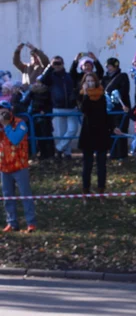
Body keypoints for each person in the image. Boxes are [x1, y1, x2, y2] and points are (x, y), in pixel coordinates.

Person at [0, 100, 37, 233]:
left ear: (10, 112)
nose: (1, 114)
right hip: (4, 166)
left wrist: (6, 126)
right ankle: (12, 222)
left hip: (20, 165)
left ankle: (31, 222)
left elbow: (15, 139)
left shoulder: (20, 123)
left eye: (3, 111)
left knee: (25, 194)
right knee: (7, 196)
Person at [78, 73, 114, 195]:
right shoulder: (82, 95)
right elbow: (84, 109)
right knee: (87, 164)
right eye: (87, 81)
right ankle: (85, 189)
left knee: (101, 165)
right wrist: (86, 94)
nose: (90, 83)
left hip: (101, 132)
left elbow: (105, 114)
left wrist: (113, 127)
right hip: (88, 133)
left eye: (92, 81)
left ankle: (101, 190)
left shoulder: (102, 96)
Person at [40, 56, 78, 160]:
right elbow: (42, 80)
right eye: (55, 63)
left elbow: (75, 74)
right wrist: (50, 67)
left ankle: (59, 148)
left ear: (63, 63)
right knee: (61, 132)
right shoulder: (51, 76)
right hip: (58, 107)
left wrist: (75, 61)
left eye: (59, 63)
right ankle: (67, 153)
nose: (57, 65)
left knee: (73, 129)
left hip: (71, 107)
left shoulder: (68, 76)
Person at [102, 57, 131, 160]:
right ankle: (113, 153)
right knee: (111, 130)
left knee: (121, 130)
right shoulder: (105, 79)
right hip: (109, 110)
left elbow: (123, 91)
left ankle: (122, 154)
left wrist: (114, 95)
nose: (108, 68)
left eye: (110, 66)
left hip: (121, 109)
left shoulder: (122, 77)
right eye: (107, 66)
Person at [22, 76, 55, 160]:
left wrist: (46, 111)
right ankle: (37, 153)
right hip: (34, 115)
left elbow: (50, 104)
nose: (39, 84)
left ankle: (49, 154)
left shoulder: (48, 92)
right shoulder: (32, 91)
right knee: (35, 134)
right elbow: (25, 102)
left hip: (44, 117)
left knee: (45, 135)